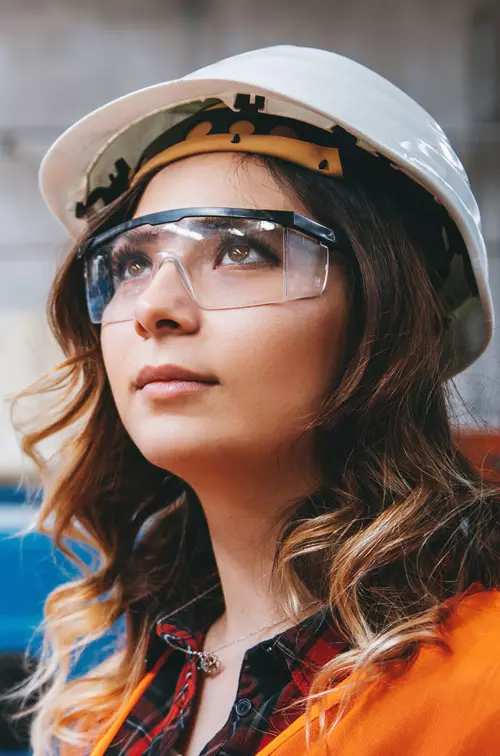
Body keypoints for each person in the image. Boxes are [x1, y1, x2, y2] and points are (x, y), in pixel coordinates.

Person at [10, 45, 500, 755]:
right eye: (131, 262)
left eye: (242, 249)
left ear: (386, 314)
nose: (154, 306)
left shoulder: (481, 687)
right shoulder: (120, 705)